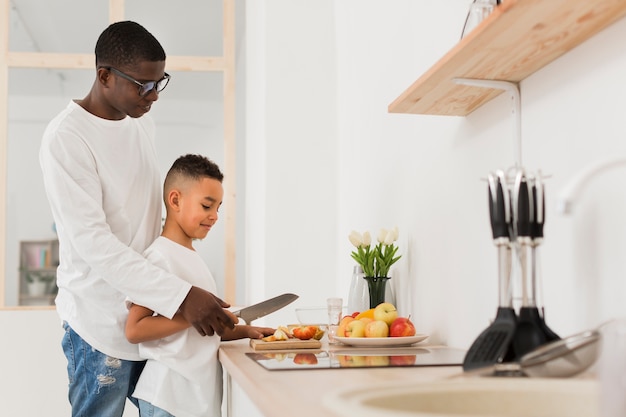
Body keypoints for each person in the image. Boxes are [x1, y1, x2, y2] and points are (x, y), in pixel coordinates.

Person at [39, 21, 236, 417]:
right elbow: (94, 243)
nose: (153, 96)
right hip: (99, 326)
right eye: (143, 85)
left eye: (159, 82)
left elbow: (147, 217)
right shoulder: (66, 138)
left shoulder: (141, 120)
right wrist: (181, 297)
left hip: (151, 318)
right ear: (104, 75)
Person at [125, 154, 274, 417]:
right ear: (175, 200)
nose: (215, 216)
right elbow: (135, 329)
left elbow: (204, 332)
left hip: (195, 399)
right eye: (207, 206)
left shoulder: (193, 258)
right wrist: (192, 316)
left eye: (218, 208)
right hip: (169, 397)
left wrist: (246, 331)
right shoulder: (159, 257)